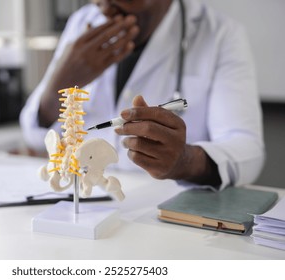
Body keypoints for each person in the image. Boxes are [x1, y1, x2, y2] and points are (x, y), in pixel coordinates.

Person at [20, 0, 265, 190]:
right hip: (87, 207)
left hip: (164, 220)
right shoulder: (82, 22)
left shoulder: (220, 34)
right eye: (97, 0)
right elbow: (33, 134)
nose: (105, 10)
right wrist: (60, 85)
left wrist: (186, 161)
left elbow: (248, 151)